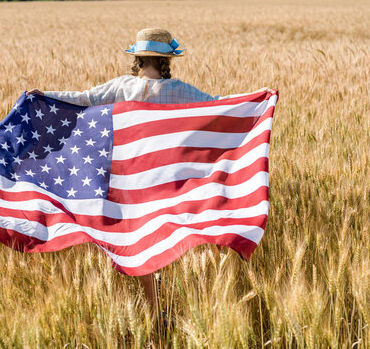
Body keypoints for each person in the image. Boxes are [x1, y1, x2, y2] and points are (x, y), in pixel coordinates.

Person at [26, 27, 274, 313]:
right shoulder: (181, 91)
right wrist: (259, 98)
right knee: (168, 231)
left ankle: (155, 307)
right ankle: (173, 301)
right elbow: (219, 105)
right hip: (171, 177)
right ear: (167, 60)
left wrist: (44, 96)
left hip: (130, 177)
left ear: (138, 58)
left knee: (138, 233)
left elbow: (83, 98)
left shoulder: (122, 86)